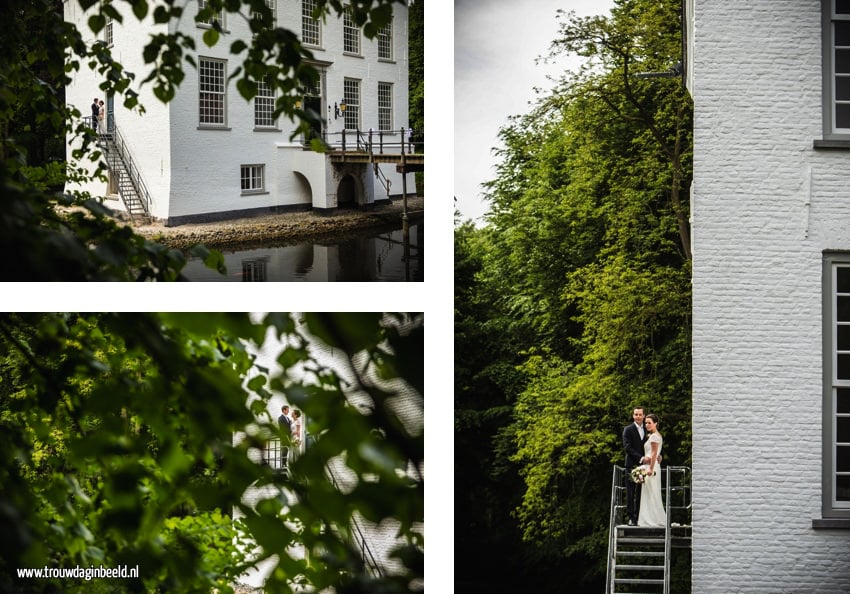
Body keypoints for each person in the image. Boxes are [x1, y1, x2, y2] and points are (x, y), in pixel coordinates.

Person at [637, 414, 667, 527]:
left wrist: (650, 468)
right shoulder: (655, 435)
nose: (647, 425)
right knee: (650, 492)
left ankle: (654, 520)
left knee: (652, 492)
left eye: (649, 422)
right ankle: (650, 518)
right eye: (646, 423)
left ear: (655, 423)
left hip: (652, 466)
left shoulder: (654, 436)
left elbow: (654, 453)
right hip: (652, 465)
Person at [623, 406, 647, 526]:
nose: (638, 416)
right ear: (633, 416)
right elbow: (627, 447)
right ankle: (631, 518)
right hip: (631, 465)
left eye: (640, 414)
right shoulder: (628, 430)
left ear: (643, 415)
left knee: (641, 493)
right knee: (631, 493)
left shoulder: (648, 429)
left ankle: (640, 516)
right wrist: (640, 458)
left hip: (645, 467)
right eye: (636, 414)